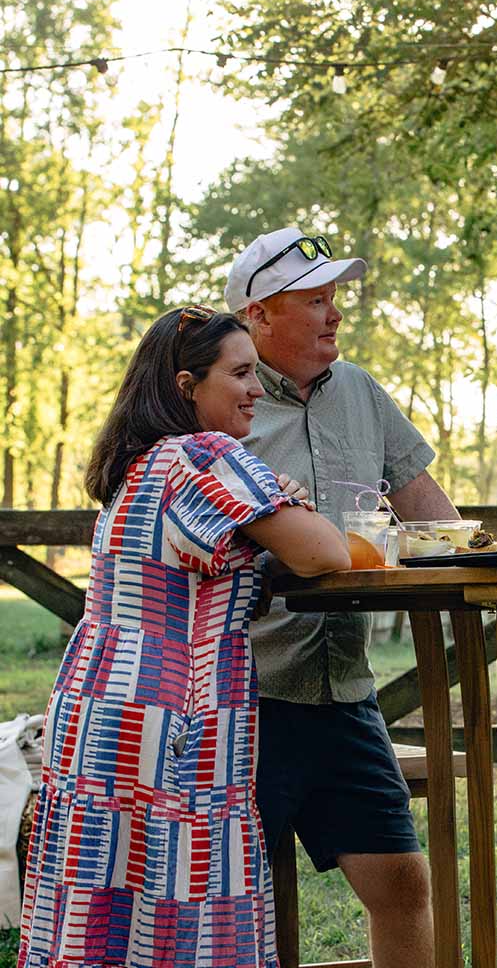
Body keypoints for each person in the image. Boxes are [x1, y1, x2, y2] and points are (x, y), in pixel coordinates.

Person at [18, 306, 350, 968]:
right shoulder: (204, 454)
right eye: (240, 373)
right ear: (185, 385)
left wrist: (268, 504)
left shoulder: (137, 466)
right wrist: (296, 507)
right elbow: (326, 555)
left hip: (100, 712)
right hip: (176, 721)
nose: (257, 388)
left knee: (105, 913)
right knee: (185, 911)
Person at [223, 228, 458, 967]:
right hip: (243, 696)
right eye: (315, 300)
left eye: (335, 298)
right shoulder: (220, 398)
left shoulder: (359, 389)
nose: (334, 315)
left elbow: (432, 517)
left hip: (343, 691)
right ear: (259, 315)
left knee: (402, 883)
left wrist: (481, 555)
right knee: (231, 901)